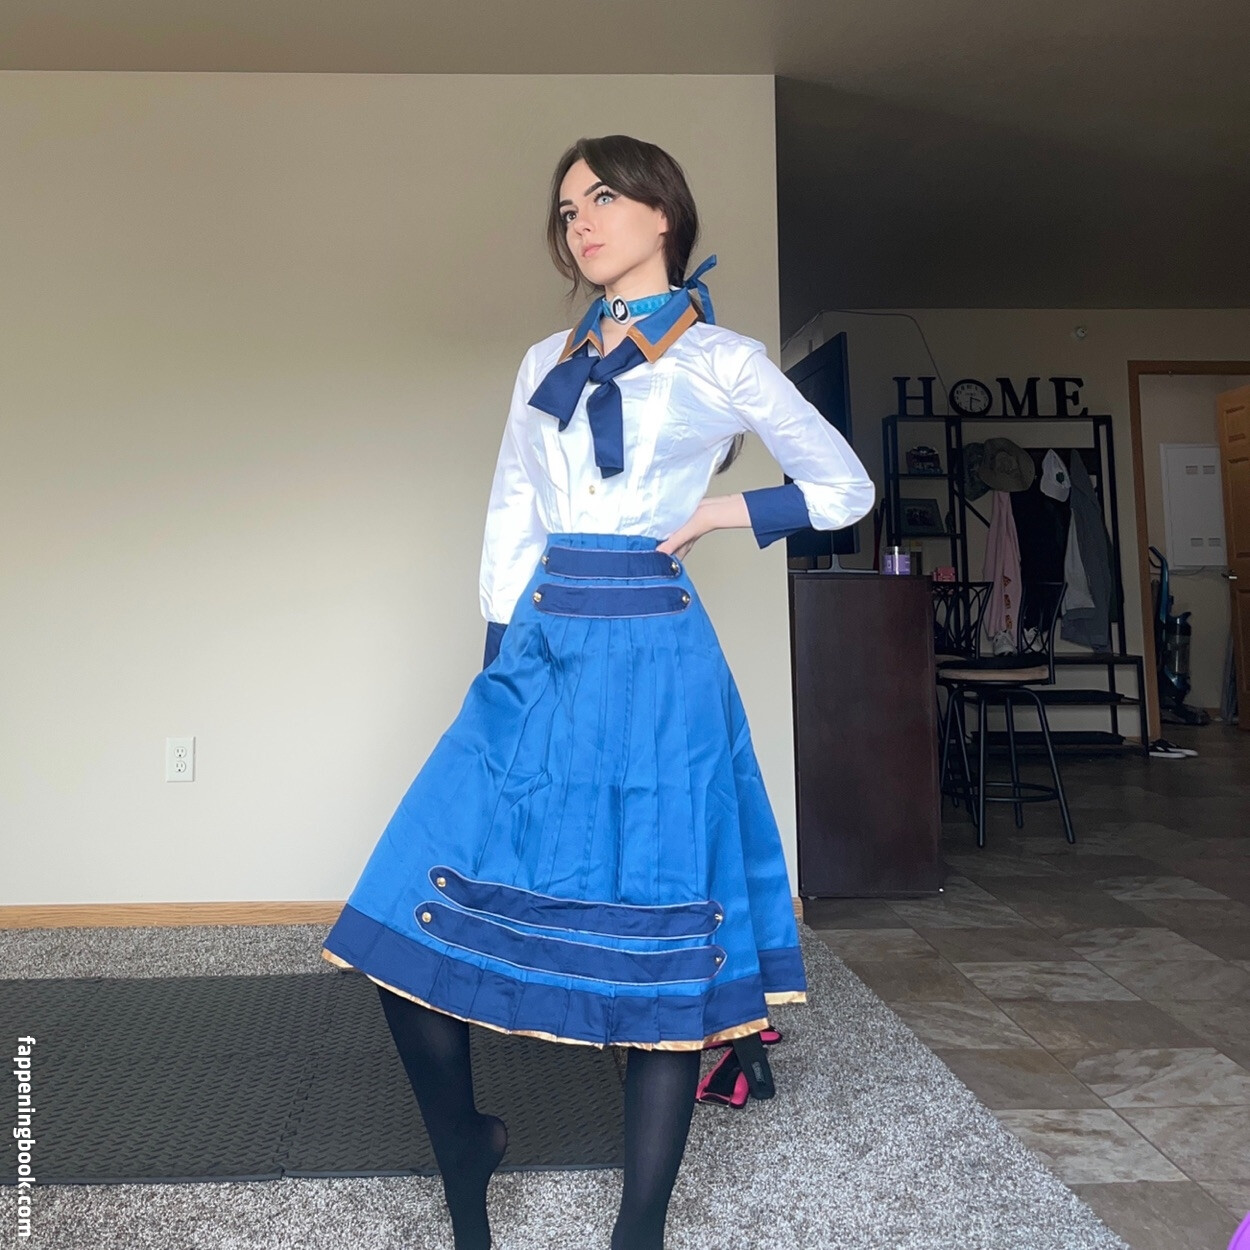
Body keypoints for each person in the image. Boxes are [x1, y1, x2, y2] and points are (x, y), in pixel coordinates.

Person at [321, 134, 876, 1250]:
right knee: (399, 915)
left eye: (603, 198)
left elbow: (844, 485)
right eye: (567, 207)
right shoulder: (545, 360)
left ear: (663, 214)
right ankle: (465, 1144)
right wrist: (499, 663)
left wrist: (725, 511)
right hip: (541, 644)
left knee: (655, 937)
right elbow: (510, 512)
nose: (579, 221)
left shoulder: (722, 359)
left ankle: (639, 1229)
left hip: (660, 658)